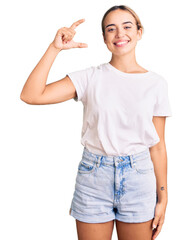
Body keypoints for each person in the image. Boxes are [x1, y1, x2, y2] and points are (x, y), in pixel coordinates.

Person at [20, 4, 172, 240]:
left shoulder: (156, 83)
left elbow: (158, 146)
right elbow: (31, 95)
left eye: (127, 26)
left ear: (139, 32)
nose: (120, 34)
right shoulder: (89, 78)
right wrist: (54, 49)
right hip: (94, 178)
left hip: (139, 178)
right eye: (111, 29)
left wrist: (163, 197)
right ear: (104, 38)